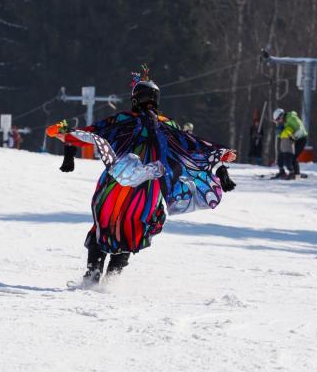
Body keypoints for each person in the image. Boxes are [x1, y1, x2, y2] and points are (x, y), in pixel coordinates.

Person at [46, 68, 237, 285]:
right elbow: (192, 145)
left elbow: (92, 133)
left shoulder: (123, 119)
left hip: (117, 184)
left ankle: (93, 275)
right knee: (132, 227)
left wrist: (63, 132)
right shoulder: (168, 125)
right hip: (148, 191)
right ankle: (111, 281)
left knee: (105, 224)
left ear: (135, 98)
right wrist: (219, 153)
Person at [271, 108, 308, 179]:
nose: (278, 121)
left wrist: (294, 137)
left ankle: (297, 176)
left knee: (293, 157)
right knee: (284, 155)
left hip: (301, 139)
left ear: (281, 116)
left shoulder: (292, 118)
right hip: (294, 139)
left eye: (278, 119)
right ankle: (283, 172)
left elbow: (301, 129)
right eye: (276, 120)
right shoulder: (285, 121)